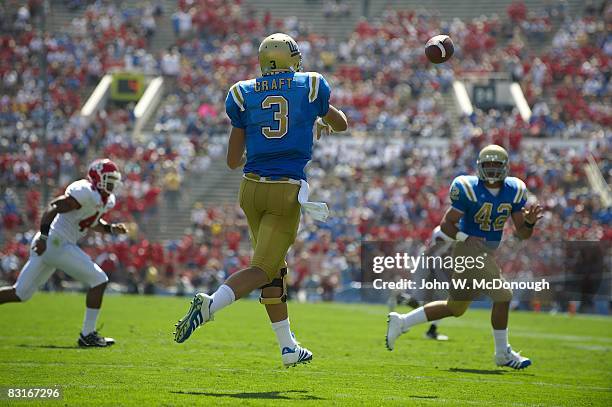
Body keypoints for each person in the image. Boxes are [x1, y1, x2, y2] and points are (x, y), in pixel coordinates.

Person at [173, 33, 348, 368]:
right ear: (290, 59)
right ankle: (209, 305)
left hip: (250, 189)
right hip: (284, 191)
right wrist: (320, 118)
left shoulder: (243, 92)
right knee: (262, 268)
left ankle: (288, 347)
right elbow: (340, 123)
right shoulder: (309, 85)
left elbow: (231, 160)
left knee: (274, 271)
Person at [385, 145, 543, 370]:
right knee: (503, 295)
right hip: (468, 251)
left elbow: (522, 235)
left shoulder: (514, 190)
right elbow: (446, 224)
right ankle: (502, 353)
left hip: (484, 252)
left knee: (455, 308)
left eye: (496, 165)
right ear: (479, 166)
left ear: (505, 167)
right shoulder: (468, 188)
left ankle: (401, 322)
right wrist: (465, 237)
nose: (491, 169)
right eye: (487, 164)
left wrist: (529, 222)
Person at [0, 159, 128, 347]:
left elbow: (90, 222)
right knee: (99, 279)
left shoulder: (103, 199)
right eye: (108, 179)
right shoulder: (85, 191)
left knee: (21, 294)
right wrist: (44, 238)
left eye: (113, 180)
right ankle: (87, 334)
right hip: (55, 242)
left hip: (53, 245)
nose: (112, 184)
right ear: (97, 177)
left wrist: (111, 229)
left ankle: (88, 335)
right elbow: (53, 207)